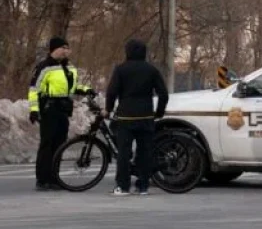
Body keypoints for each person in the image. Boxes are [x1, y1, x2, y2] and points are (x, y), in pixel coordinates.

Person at [27, 37, 95, 191]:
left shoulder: (69, 67)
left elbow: (73, 87)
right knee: (47, 144)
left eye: (67, 48)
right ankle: (43, 179)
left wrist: (86, 90)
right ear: (54, 49)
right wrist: (34, 110)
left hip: (63, 109)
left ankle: (54, 178)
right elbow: (34, 90)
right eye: (63, 48)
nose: (66, 51)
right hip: (49, 108)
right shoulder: (44, 67)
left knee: (60, 144)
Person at [104, 39, 169, 196]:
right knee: (144, 151)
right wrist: (159, 112)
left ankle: (123, 186)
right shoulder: (151, 70)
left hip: (126, 117)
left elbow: (112, 92)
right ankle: (143, 186)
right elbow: (163, 94)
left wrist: (108, 109)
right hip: (146, 116)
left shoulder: (121, 70)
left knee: (124, 153)